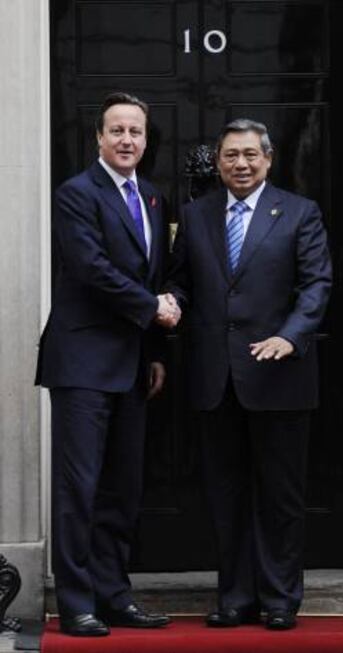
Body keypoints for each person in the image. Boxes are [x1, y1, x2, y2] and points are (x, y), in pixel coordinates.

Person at [167, 119, 332, 630]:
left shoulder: (300, 212)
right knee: (226, 496)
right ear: (218, 162)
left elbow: (317, 283)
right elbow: (182, 281)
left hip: (279, 377)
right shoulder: (196, 216)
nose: (240, 164)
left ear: (268, 158)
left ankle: (280, 599)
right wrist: (171, 302)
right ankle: (235, 597)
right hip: (216, 378)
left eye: (249, 155)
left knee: (280, 497)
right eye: (230, 156)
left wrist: (291, 334)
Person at [35, 92, 180, 636]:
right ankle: (76, 603)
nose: (126, 140)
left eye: (135, 132)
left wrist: (155, 349)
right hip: (82, 363)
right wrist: (152, 309)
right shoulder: (76, 194)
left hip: (133, 364)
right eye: (116, 130)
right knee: (81, 488)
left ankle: (115, 595)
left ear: (146, 140)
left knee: (123, 487)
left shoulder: (154, 198)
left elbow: (152, 276)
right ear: (99, 138)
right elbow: (91, 268)